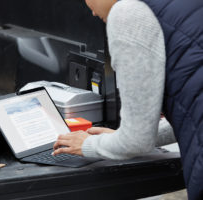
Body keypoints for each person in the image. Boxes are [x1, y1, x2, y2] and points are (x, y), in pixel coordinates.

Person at [52, 0, 203, 199]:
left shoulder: (127, 14)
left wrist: (88, 144)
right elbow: (191, 114)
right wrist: (117, 137)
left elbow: (135, 142)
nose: (92, 12)